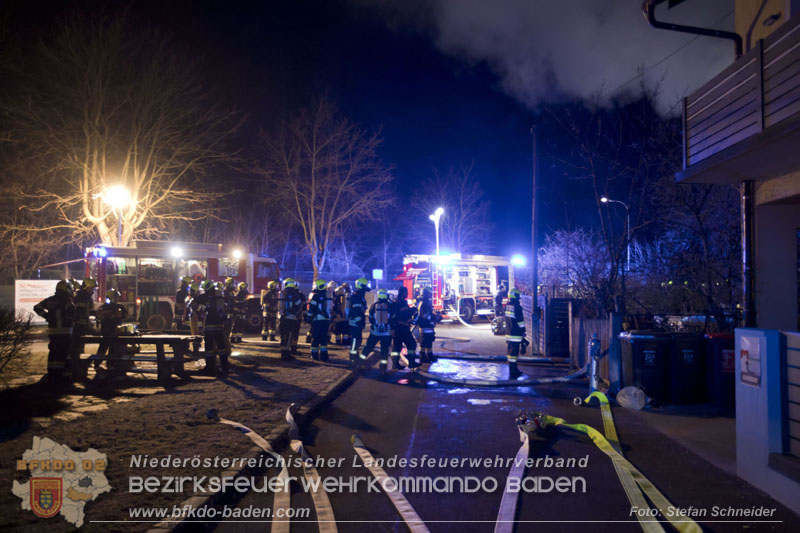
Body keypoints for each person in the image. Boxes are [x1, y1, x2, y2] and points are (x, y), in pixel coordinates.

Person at [33, 280, 75, 383]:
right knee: (64, 353)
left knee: (53, 352)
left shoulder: (50, 300)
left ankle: (52, 373)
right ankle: (63, 375)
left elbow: (37, 307)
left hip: (53, 331)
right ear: (67, 289)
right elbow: (72, 313)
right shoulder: (67, 300)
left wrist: (47, 316)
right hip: (65, 331)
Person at [194, 280, 231, 375]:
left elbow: (192, 304)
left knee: (209, 348)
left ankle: (210, 367)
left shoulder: (203, 297)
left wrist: (200, 310)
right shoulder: (218, 296)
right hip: (219, 325)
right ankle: (225, 368)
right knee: (222, 347)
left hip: (209, 326)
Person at [95, 289, 128, 374]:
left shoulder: (120, 307)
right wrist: (111, 314)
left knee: (113, 349)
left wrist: (119, 314)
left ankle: (110, 364)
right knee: (103, 348)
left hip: (115, 331)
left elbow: (126, 315)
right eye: (115, 297)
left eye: (117, 297)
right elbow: (99, 316)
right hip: (107, 331)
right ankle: (97, 364)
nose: (117, 299)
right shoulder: (104, 307)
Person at [361, 288, 392, 375]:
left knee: (368, 347)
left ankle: (360, 363)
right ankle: (383, 369)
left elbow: (371, 319)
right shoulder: (390, 305)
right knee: (384, 351)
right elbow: (393, 319)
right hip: (386, 333)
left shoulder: (374, 306)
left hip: (375, 332)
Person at [71, 278, 97, 379]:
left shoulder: (85, 296)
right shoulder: (82, 297)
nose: (92, 290)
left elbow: (87, 311)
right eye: (91, 288)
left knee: (80, 345)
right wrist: (87, 322)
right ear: (86, 287)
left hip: (82, 324)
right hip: (78, 325)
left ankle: (80, 364)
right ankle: (77, 367)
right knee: (77, 346)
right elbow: (80, 312)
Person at [390, 286, 418, 369]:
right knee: (412, 344)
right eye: (406, 292)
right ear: (403, 293)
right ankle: (411, 362)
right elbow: (405, 314)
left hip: (396, 328)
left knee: (397, 346)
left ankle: (395, 364)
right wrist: (413, 310)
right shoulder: (402, 303)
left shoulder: (395, 302)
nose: (407, 294)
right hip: (403, 328)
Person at [306, 279, 333, 361]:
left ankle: (314, 355)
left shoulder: (316, 296)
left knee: (315, 338)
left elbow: (311, 308)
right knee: (323, 338)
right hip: (326, 320)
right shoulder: (329, 295)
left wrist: (308, 317)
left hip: (317, 320)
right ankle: (324, 356)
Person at [278, 278, 304, 359]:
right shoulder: (295, 293)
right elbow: (299, 305)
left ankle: (283, 352)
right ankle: (286, 354)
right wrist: (295, 313)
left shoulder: (282, 292)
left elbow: (279, 305)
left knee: (283, 335)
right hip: (291, 317)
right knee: (289, 335)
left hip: (282, 317)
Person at [504, 288, 526, 379]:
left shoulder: (508, 306)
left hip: (509, 333)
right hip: (516, 334)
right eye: (518, 296)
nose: (519, 298)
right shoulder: (517, 307)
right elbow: (520, 321)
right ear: (516, 296)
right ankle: (514, 371)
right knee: (514, 353)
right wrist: (523, 331)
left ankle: (512, 369)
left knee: (510, 353)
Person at [348, 277, 370, 365]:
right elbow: (356, 310)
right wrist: (358, 321)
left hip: (358, 321)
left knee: (358, 340)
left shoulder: (361, 296)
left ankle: (355, 355)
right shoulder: (357, 296)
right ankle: (353, 357)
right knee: (355, 340)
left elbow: (362, 309)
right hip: (355, 322)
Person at [416, 287, 438, 364]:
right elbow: (426, 315)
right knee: (424, 342)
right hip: (425, 326)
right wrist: (434, 317)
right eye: (429, 293)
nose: (430, 294)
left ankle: (429, 355)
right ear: (427, 294)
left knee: (428, 342)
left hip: (427, 326)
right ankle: (423, 357)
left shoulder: (424, 302)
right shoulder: (424, 303)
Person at [186, 281, 203, 354]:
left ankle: (196, 348)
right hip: (195, 319)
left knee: (195, 334)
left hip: (194, 319)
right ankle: (196, 349)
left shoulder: (191, 299)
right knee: (195, 334)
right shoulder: (195, 299)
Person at [222, 277, 236, 342]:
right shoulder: (225, 292)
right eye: (231, 284)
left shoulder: (231, 292)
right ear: (227, 284)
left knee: (229, 327)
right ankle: (225, 341)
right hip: (226, 312)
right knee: (225, 327)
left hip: (231, 311)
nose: (232, 286)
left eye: (233, 284)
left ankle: (227, 341)